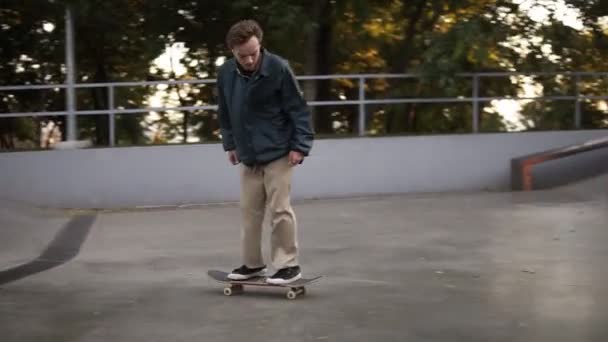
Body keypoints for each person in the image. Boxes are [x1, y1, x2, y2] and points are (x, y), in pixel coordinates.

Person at [216, 19, 314, 285]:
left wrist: (300, 146)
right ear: (232, 52)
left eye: (253, 53)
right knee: (249, 211)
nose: (249, 60)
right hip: (248, 155)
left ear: (260, 45)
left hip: (279, 152)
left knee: (280, 209)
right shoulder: (226, 73)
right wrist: (231, 144)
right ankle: (252, 264)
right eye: (242, 55)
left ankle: (288, 265)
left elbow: (298, 109)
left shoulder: (278, 68)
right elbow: (225, 113)